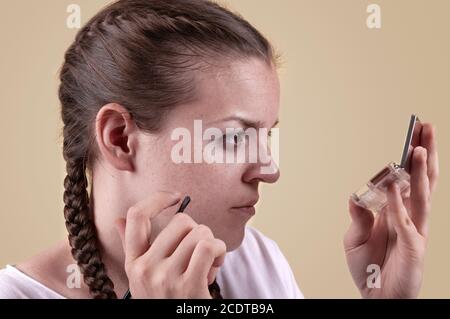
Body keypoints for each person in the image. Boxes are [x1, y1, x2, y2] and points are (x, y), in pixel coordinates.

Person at [0, 0, 439, 299]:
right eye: (232, 138)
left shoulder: (255, 262)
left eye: (266, 135)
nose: (269, 169)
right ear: (119, 138)